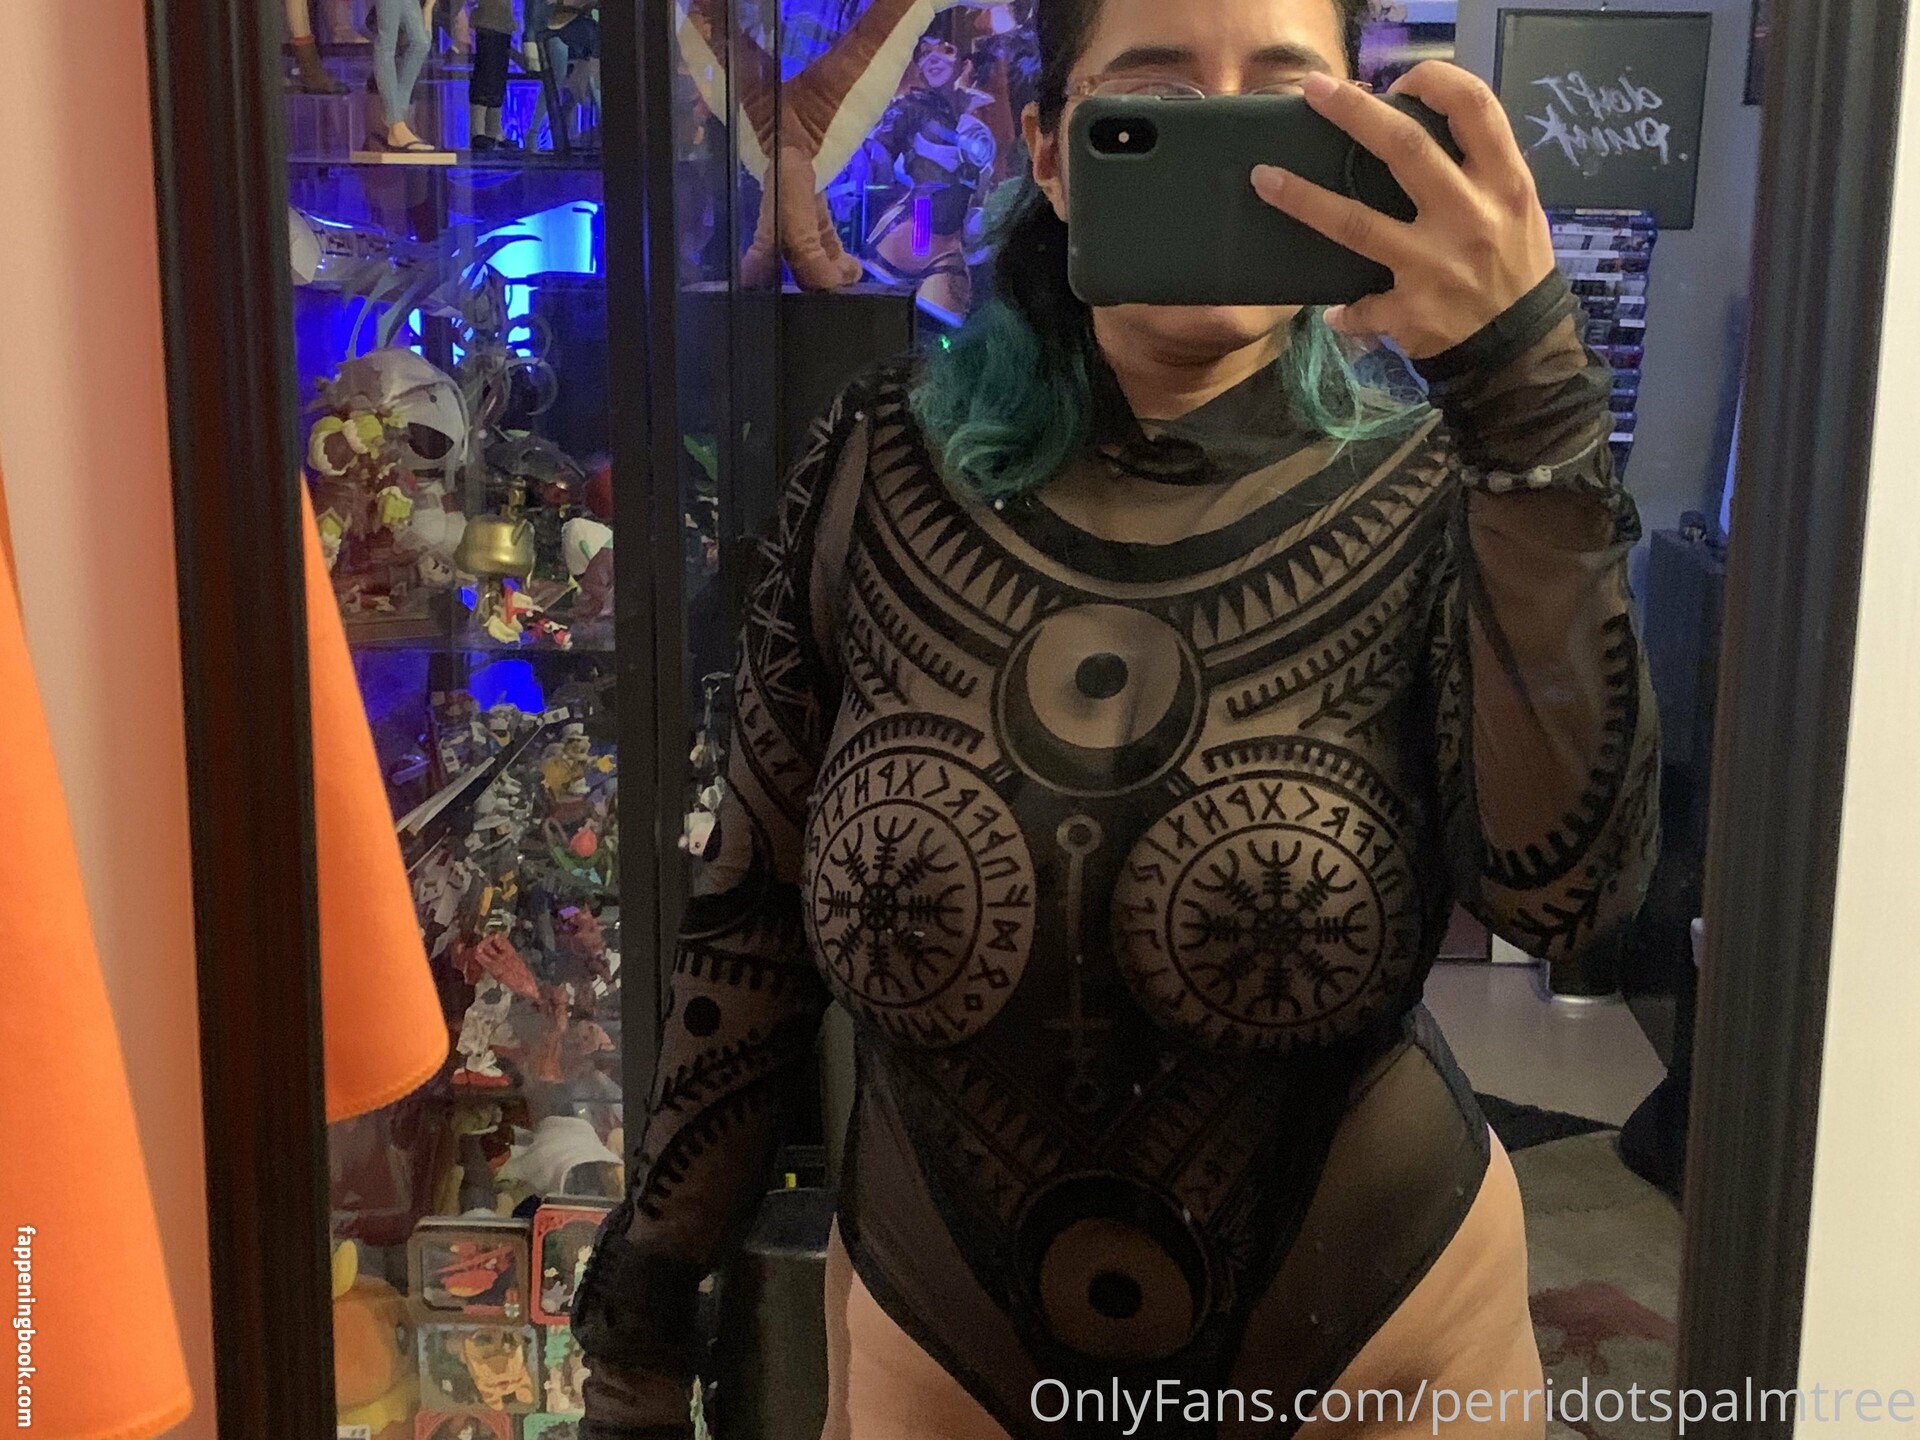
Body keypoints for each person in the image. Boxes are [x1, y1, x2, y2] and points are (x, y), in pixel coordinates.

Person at [572, 0, 1659, 1437]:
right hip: (937, 1366)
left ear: (1358, 136)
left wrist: (1526, 399)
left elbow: (1571, 903)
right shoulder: (878, 469)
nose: (1231, 152)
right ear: (1054, 151)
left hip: (1384, 1362)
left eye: (1280, 104)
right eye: (1156, 100)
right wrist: (641, 1321)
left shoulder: (1443, 491)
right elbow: (753, 915)